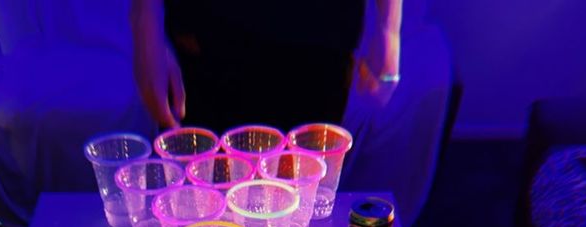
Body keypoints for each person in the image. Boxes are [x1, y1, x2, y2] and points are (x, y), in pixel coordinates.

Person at [129, 0, 402, 134]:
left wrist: (388, 27)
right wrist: (145, 17)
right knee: (198, 208)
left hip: (320, 32)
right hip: (208, 28)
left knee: (299, 210)